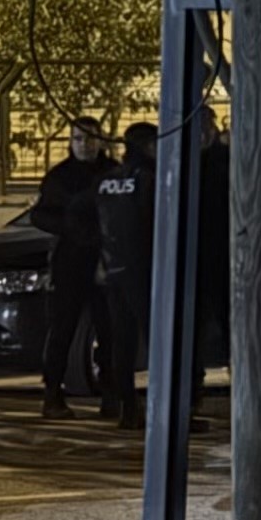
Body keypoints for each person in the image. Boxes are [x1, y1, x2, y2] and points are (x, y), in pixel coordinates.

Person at [25, 116, 110, 420]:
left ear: (101, 140)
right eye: (78, 139)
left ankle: (112, 396)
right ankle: (53, 395)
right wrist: (71, 227)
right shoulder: (59, 178)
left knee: (110, 331)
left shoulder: (112, 173)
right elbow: (40, 215)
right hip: (71, 262)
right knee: (62, 330)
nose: (85, 145)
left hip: (105, 263)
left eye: (90, 138)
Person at [95, 121, 159, 425]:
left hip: (113, 270)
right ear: (148, 146)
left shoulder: (107, 180)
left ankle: (127, 407)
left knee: (122, 341)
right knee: (156, 340)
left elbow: (85, 216)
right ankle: (161, 408)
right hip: (145, 271)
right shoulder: (150, 179)